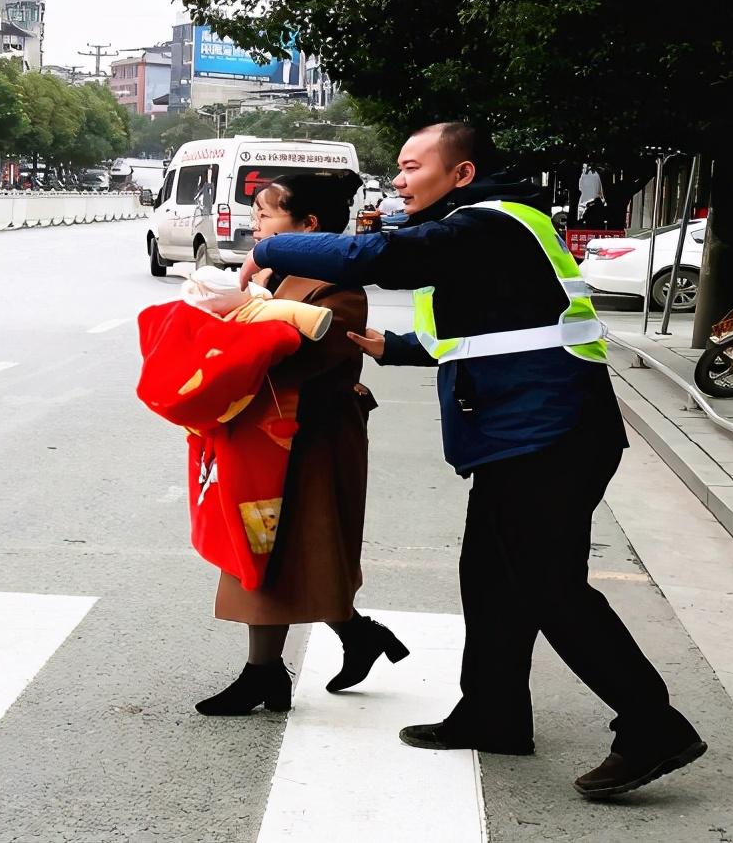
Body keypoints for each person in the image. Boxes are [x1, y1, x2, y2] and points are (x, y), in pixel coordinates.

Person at [238, 122, 705, 798]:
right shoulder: (482, 225)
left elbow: (384, 257)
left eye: (410, 165)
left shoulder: (487, 222)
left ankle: (651, 723)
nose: (398, 179)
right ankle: (494, 712)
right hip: (523, 430)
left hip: (550, 433)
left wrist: (274, 246)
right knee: (488, 574)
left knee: (549, 583)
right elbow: (498, 330)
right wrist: (391, 345)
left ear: (460, 172)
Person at [195, 170, 410, 716]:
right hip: (265, 435)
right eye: (256, 216)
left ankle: (268, 672)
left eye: (267, 215)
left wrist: (236, 320)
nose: (256, 226)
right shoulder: (275, 279)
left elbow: (298, 360)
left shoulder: (337, 290)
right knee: (272, 551)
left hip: (311, 437)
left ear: (308, 226)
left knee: (290, 550)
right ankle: (322, 650)